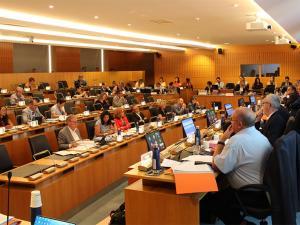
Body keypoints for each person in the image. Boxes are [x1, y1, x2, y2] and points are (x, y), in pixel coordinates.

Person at [201, 107, 272, 225]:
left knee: (212, 201)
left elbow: (216, 166)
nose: (230, 122)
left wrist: (222, 140)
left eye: (231, 120)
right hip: (264, 191)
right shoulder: (259, 135)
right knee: (221, 188)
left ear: (239, 124)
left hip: (251, 194)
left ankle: (241, 223)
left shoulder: (237, 141)